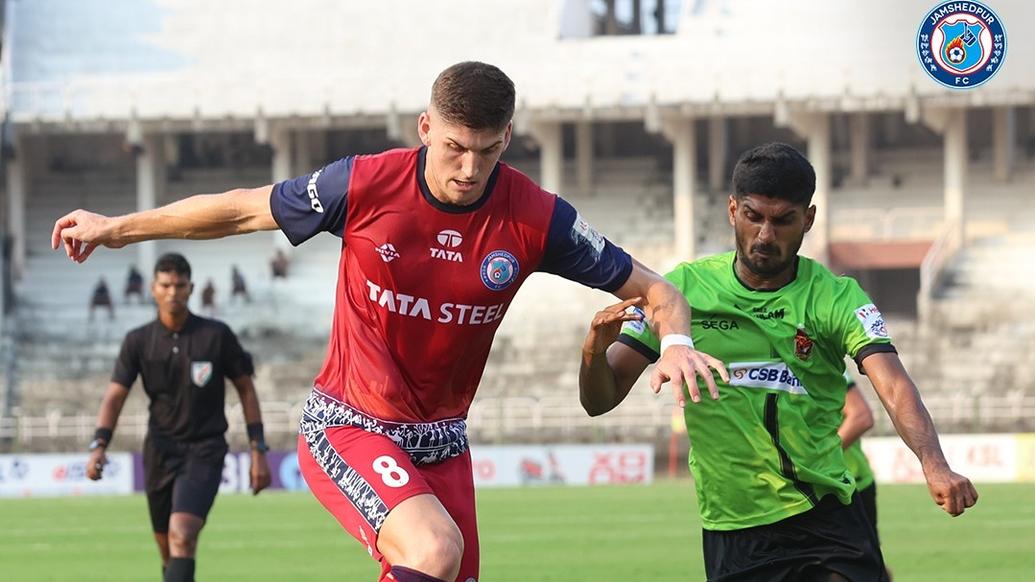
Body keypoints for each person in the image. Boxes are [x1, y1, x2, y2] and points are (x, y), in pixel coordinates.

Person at [52, 61, 725, 582]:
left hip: (442, 444)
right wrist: (119, 229)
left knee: (440, 565)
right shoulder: (364, 185)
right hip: (348, 424)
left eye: (487, 151)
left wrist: (675, 341)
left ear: (507, 138)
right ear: (425, 127)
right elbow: (237, 209)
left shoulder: (536, 217)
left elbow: (659, 291)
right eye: (456, 147)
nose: (469, 169)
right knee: (432, 547)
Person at [579, 142, 977, 581]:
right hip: (732, 529)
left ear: (807, 219)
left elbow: (894, 385)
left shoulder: (836, 297)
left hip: (822, 517)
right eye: (754, 216)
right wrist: (593, 351)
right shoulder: (680, 292)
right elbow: (600, 400)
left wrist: (934, 462)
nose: (766, 235)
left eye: (783, 220)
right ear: (732, 210)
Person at [84, 253, 272, 582]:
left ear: (191, 288)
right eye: (166, 285)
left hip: (205, 449)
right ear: (153, 289)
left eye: (180, 285)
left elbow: (245, 387)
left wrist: (258, 449)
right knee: (167, 548)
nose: (173, 292)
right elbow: (115, 395)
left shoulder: (216, 335)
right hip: (159, 451)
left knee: (182, 534)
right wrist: (99, 444)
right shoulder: (138, 341)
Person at [840, 371, 892, 580]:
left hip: (848, 485)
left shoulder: (817, 354)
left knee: (863, 569)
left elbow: (860, 416)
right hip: (806, 488)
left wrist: (816, 461)